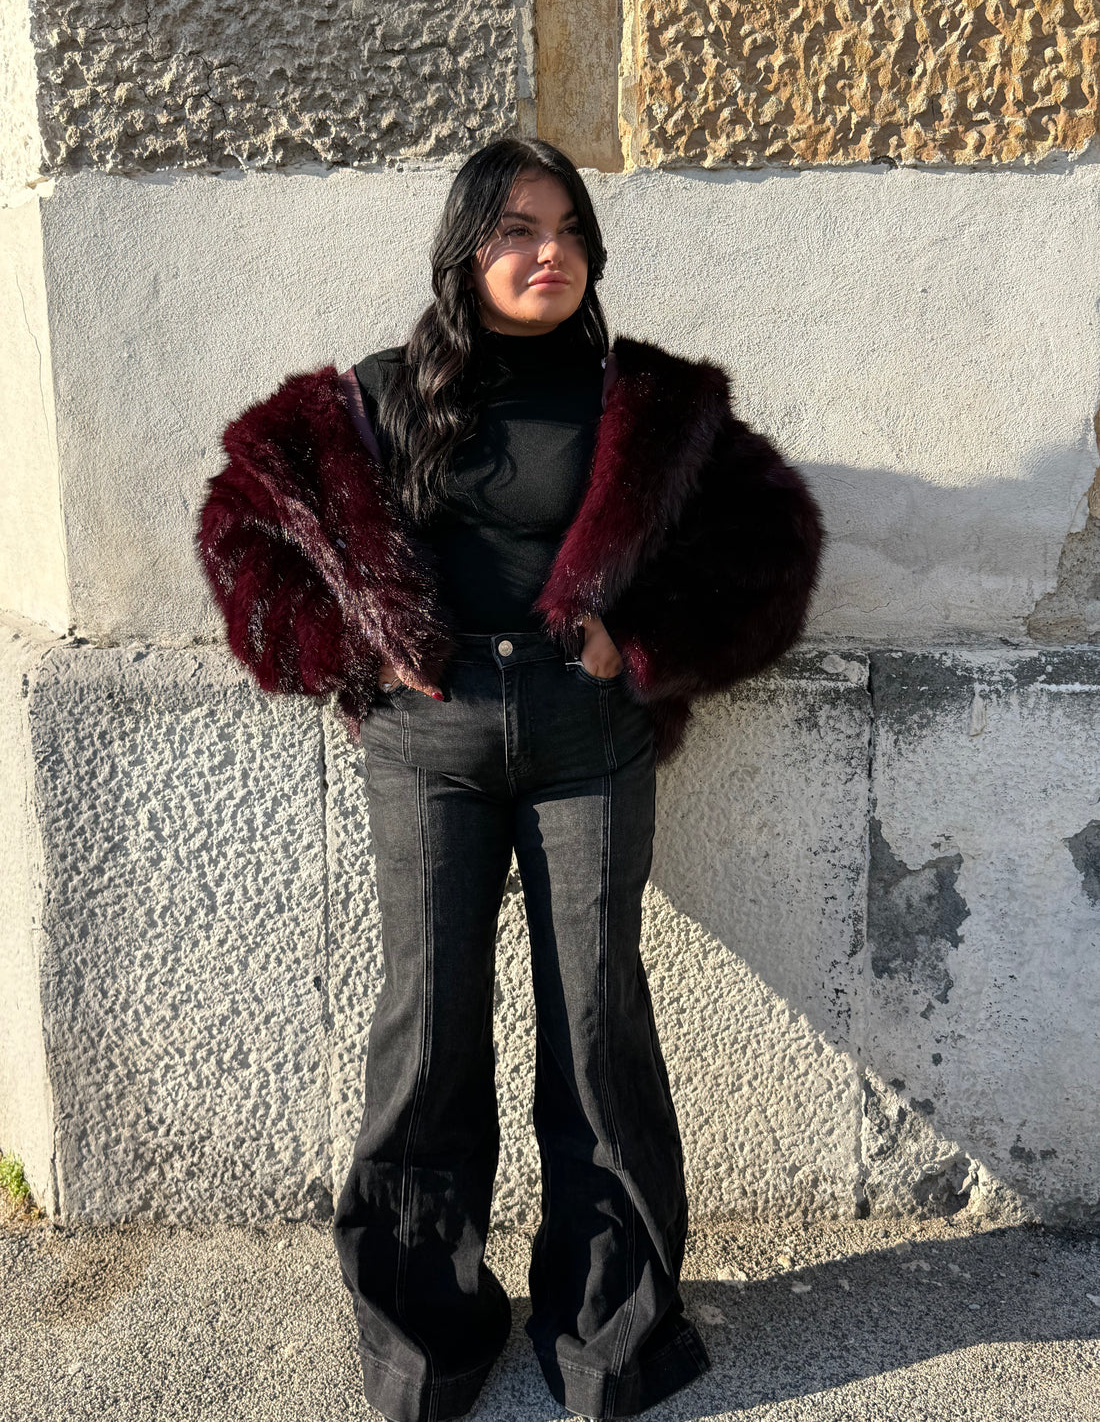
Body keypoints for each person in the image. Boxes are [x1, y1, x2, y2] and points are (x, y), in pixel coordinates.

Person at [196, 136, 824, 1422]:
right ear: (463, 249)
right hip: (427, 744)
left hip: (586, 737)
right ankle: (421, 1343)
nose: (549, 252)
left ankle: (608, 1336)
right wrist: (358, 648)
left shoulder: (650, 405)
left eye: (568, 228)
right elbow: (240, 534)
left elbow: (773, 549)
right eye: (517, 229)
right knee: (429, 1026)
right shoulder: (374, 400)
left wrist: (631, 642)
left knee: (593, 1019)